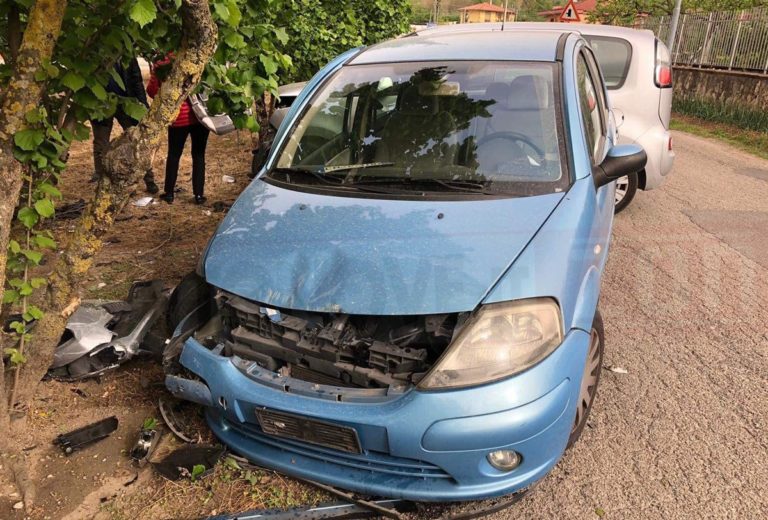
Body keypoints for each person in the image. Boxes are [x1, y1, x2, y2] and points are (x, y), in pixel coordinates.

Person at [146, 54, 210, 204]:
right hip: (200, 116)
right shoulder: (198, 58)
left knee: (174, 155)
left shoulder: (163, 63)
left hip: (178, 118)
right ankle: (199, 195)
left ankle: (169, 193)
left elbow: (152, 90)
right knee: (199, 155)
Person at [91, 58, 158, 193]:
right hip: (102, 105)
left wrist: (142, 104)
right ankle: (101, 180)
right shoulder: (95, 52)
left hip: (127, 102)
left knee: (138, 141)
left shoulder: (127, 54)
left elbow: (136, 80)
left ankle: (149, 179)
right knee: (100, 144)